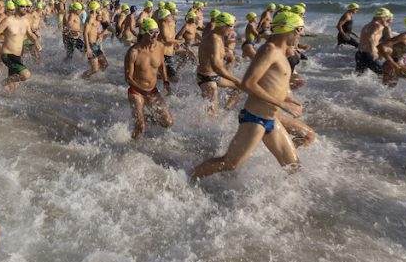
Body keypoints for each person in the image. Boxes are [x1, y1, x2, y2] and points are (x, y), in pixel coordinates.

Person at [191, 12, 306, 180]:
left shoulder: (282, 53)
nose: (301, 34)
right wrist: (282, 105)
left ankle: (286, 203)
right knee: (230, 163)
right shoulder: (269, 50)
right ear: (286, 30)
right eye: (299, 29)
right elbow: (248, 83)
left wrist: (288, 97)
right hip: (255, 119)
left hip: (272, 120)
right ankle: (190, 177)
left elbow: (272, 82)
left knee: (294, 167)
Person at [124, 18, 173, 138]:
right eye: (152, 32)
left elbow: (161, 65)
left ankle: (143, 118)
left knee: (167, 122)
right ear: (143, 32)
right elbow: (128, 78)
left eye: (157, 32)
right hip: (136, 91)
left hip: (152, 90)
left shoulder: (160, 47)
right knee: (140, 126)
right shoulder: (133, 52)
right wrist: (143, 91)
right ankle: (132, 146)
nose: (155, 35)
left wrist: (166, 81)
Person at [0, 0, 41, 92]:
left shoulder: (25, 22)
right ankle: (3, 82)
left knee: (13, 88)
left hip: (17, 56)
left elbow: (30, 35)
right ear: (17, 7)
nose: (25, 8)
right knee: (26, 75)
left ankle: (1, 94)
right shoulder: (8, 21)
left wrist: (36, 41)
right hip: (7, 55)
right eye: (23, 6)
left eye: (26, 6)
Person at [196, 12, 241, 113]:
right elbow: (216, 66)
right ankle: (199, 128)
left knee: (238, 87)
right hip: (206, 78)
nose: (232, 30)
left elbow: (215, 54)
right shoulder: (214, 39)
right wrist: (235, 79)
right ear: (223, 25)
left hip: (215, 76)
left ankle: (226, 110)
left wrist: (226, 56)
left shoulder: (218, 36)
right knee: (212, 113)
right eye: (231, 26)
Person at [378, 15, 406, 86]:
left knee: (387, 91)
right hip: (393, 65)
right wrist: (393, 64)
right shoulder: (403, 37)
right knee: (387, 89)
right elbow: (381, 46)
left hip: (400, 64)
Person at [355, 8, 392, 75]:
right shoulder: (377, 25)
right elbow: (370, 37)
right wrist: (373, 51)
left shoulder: (367, 25)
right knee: (384, 74)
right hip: (369, 54)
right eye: (387, 17)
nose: (387, 19)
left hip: (359, 53)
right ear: (383, 16)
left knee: (360, 76)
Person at [82, 1, 108, 79]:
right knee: (95, 69)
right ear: (95, 9)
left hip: (95, 45)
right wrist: (88, 48)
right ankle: (82, 78)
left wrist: (100, 34)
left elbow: (100, 27)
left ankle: (96, 78)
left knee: (104, 64)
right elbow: (85, 33)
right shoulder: (90, 18)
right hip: (90, 45)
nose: (100, 9)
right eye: (98, 8)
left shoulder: (96, 18)